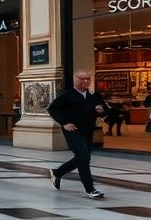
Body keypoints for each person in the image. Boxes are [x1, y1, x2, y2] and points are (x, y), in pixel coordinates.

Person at [46, 69, 107, 199]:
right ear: (76, 80)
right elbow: (52, 109)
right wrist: (64, 123)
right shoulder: (67, 95)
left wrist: (100, 111)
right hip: (73, 130)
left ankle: (57, 172)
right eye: (82, 79)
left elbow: (103, 110)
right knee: (83, 157)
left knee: (83, 157)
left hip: (87, 131)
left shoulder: (93, 96)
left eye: (88, 79)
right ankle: (90, 189)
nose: (86, 81)